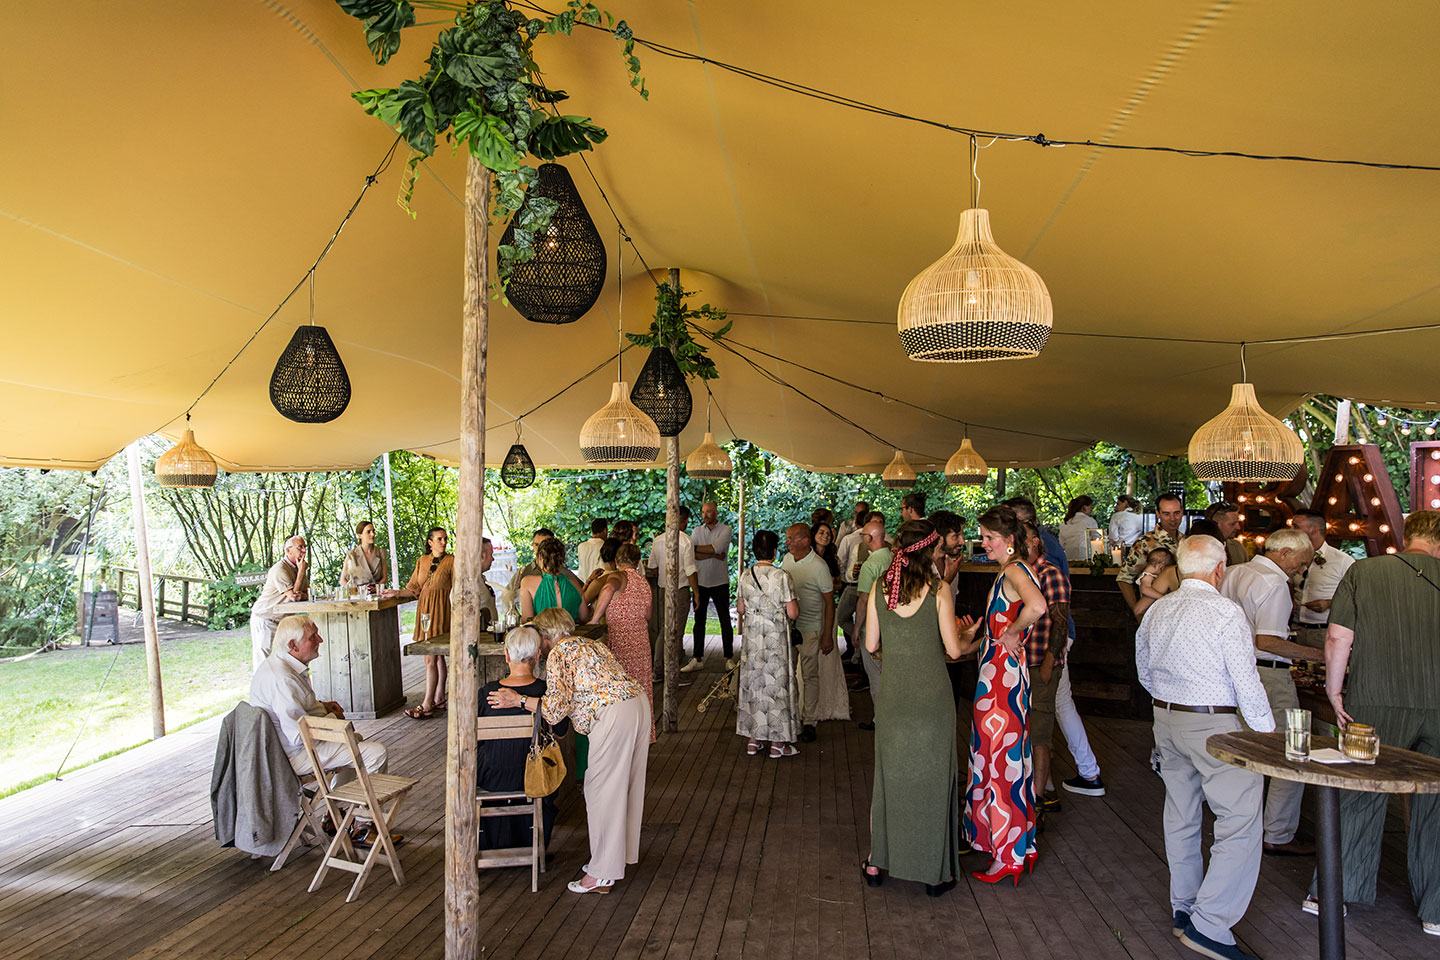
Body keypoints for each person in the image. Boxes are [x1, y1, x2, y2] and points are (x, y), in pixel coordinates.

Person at [1136, 534, 1274, 960]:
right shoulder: (1224, 611)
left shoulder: (1158, 608)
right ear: (1220, 569)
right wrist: (1267, 736)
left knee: (1181, 813)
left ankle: (1185, 908)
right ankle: (1210, 925)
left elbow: (1143, 669)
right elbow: (1246, 681)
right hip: (1214, 723)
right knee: (1240, 819)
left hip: (1166, 717)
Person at [1304, 510, 1440, 936]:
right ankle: (1436, 910)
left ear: (1406, 536)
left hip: (1376, 700)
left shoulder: (1364, 571)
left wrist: (1334, 689)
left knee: (1361, 791)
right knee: (1437, 803)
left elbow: (1337, 637)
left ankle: (1331, 894)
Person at [487, 607, 649, 895]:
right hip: (637, 703)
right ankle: (614, 858)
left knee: (600, 789)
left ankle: (603, 873)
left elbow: (553, 711)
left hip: (612, 714)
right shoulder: (587, 644)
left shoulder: (560, 654)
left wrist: (518, 699)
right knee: (626, 787)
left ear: (546, 637)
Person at [861, 520, 966, 895]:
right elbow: (953, 651)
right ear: (927, 552)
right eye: (939, 549)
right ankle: (934, 874)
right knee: (933, 779)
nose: (943, 554)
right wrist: (973, 637)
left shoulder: (879, 588)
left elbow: (871, 643)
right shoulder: (939, 590)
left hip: (893, 696)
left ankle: (876, 862)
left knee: (889, 778)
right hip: (932, 698)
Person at [1219, 528, 1316, 857]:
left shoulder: (1233, 572)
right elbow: (1268, 641)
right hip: (1267, 675)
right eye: (1300, 564)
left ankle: (1240, 822)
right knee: (1292, 751)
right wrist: (1322, 655)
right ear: (1285, 553)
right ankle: (1278, 831)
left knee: (1246, 749)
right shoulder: (1274, 583)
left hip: (1233, 672)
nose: (1300, 571)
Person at [961, 506, 1044, 883]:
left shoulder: (1014, 570)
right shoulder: (1008, 572)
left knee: (1001, 762)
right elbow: (999, 632)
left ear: (1010, 542)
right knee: (1000, 759)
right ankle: (1011, 848)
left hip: (1002, 683)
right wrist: (971, 643)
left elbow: (1038, 606)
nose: (984, 543)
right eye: (983, 536)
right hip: (998, 674)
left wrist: (1013, 632)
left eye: (990, 538)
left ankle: (1008, 855)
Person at [250, 615, 389, 790]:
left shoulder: (283, 663)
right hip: (291, 756)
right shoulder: (282, 679)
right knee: (376, 753)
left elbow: (297, 708)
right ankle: (364, 816)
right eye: (312, 637)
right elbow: (297, 736)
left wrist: (322, 707)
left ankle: (336, 811)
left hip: (290, 748)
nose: (320, 640)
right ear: (293, 645)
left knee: (354, 739)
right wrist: (333, 719)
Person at [477, 626, 564, 851]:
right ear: (537, 657)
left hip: (491, 776)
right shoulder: (545, 692)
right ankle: (535, 844)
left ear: (506, 655)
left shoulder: (487, 693)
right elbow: (562, 731)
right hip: (533, 777)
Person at [735, 530, 801, 758]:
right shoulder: (782, 576)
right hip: (776, 638)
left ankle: (753, 740)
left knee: (754, 684)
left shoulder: (745, 575)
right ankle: (777, 743)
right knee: (777, 685)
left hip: (753, 638)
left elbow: (741, 609)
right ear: (774, 551)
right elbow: (793, 613)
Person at [1022, 521, 1070, 821]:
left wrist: (1048, 664)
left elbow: (1060, 621)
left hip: (1041, 662)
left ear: (1037, 542)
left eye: (1023, 538)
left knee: (1039, 736)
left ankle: (1037, 802)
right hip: (1022, 664)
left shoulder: (1049, 573)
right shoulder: (1020, 573)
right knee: (1027, 733)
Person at [589, 543, 654, 742]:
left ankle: (622, 735)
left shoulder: (617, 576)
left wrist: (595, 618)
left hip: (621, 641)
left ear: (617, 561)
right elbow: (648, 615)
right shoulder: (644, 583)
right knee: (641, 688)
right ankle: (643, 735)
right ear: (637, 562)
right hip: (641, 642)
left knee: (621, 689)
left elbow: (608, 588)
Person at [388, 527, 454, 719]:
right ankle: (439, 697)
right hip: (425, 610)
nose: (443, 542)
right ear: (430, 542)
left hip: (441, 609)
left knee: (432, 656)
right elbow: (413, 588)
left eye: (445, 539)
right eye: (439, 539)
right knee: (436, 656)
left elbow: (459, 585)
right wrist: (396, 593)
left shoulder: (451, 561)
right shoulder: (422, 561)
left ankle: (427, 704)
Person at [781, 522, 836, 743]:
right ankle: (792, 716)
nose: (787, 542)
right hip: (788, 629)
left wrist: (827, 634)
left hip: (811, 629)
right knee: (788, 674)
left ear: (805, 540)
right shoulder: (786, 560)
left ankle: (810, 720)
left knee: (810, 675)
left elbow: (830, 603)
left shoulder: (819, 566)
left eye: (791, 538)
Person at [1290, 508, 1354, 651]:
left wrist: (1329, 603)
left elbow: (1358, 595)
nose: (1290, 529)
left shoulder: (1342, 561)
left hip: (1324, 631)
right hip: (1296, 630)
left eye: (1296, 526)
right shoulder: (1291, 556)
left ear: (1313, 529)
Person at [1118, 492, 1186, 615]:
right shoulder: (1145, 543)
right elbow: (1124, 579)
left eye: (1176, 513)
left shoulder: (1186, 541)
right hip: (1155, 613)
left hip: (1181, 612)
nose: (1173, 519)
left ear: (1182, 512)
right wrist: (1137, 612)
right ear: (1158, 514)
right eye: (1166, 514)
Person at [249, 536, 309, 670]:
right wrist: (301, 573)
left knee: (285, 659)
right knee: (263, 660)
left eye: (305, 547)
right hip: (266, 618)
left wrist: (300, 586)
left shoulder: (299, 567)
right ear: (288, 551)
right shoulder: (279, 569)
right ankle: (262, 689)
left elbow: (305, 594)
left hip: (283, 621)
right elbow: (294, 596)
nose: (304, 550)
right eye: (300, 547)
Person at [691, 502, 735, 671]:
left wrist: (706, 551)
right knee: (698, 621)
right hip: (700, 582)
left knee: (725, 620)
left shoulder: (726, 529)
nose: (705, 515)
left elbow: (717, 548)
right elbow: (691, 553)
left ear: (716, 513)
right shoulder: (696, 530)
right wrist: (712, 554)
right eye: (703, 512)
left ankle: (729, 657)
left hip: (720, 582)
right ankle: (697, 658)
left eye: (708, 512)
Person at [521, 536, 590, 622]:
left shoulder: (527, 582)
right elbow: (584, 617)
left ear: (539, 557)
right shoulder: (574, 584)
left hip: (543, 635)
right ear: (562, 559)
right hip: (570, 634)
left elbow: (527, 619)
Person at [1131, 546, 1180, 618]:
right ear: (1161, 567)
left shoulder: (1151, 575)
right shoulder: (1147, 575)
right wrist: (1163, 597)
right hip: (1148, 607)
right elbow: (1145, 589)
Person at [340, 521, 387, 591]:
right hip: (358, 595)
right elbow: (342, 581)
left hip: (378, 594)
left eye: (373, 531)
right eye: (368, 532)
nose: (373, 534)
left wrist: (376, 588)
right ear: (360, 535)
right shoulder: (352, 555)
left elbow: (385, 578)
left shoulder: (381, 552)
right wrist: (357, 589)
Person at [1205, 502, 1249, 567]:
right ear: (1215, 524)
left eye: (1238, 523)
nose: (1238, 527)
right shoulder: (1197, 548)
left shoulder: (1238, 548)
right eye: (1232, 524)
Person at [582, 538, 623, 607]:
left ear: (601, 554)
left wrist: (588, 581)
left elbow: (581, 604)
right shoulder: (625, 576)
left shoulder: (599, 582)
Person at [1057, 495, 1098, 561]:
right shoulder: (1090, 521)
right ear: (1084, 507)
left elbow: (1062, 545)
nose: (1091, 509)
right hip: (1086, 558)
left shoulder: (1065, 524)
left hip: (1069, 558)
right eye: (1091, 507)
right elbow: (1097, 540)